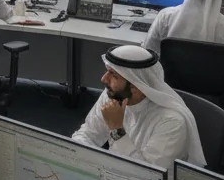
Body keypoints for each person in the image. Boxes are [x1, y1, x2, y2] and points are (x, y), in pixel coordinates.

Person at [71, 44, 206, 171]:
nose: (104, 79)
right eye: (107, 72)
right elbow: (87, 135)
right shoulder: (114, 95)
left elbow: (146, 175)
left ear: (136, 87)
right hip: (113, 176)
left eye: (114, 75)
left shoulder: (172, 122)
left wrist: (117, 130)